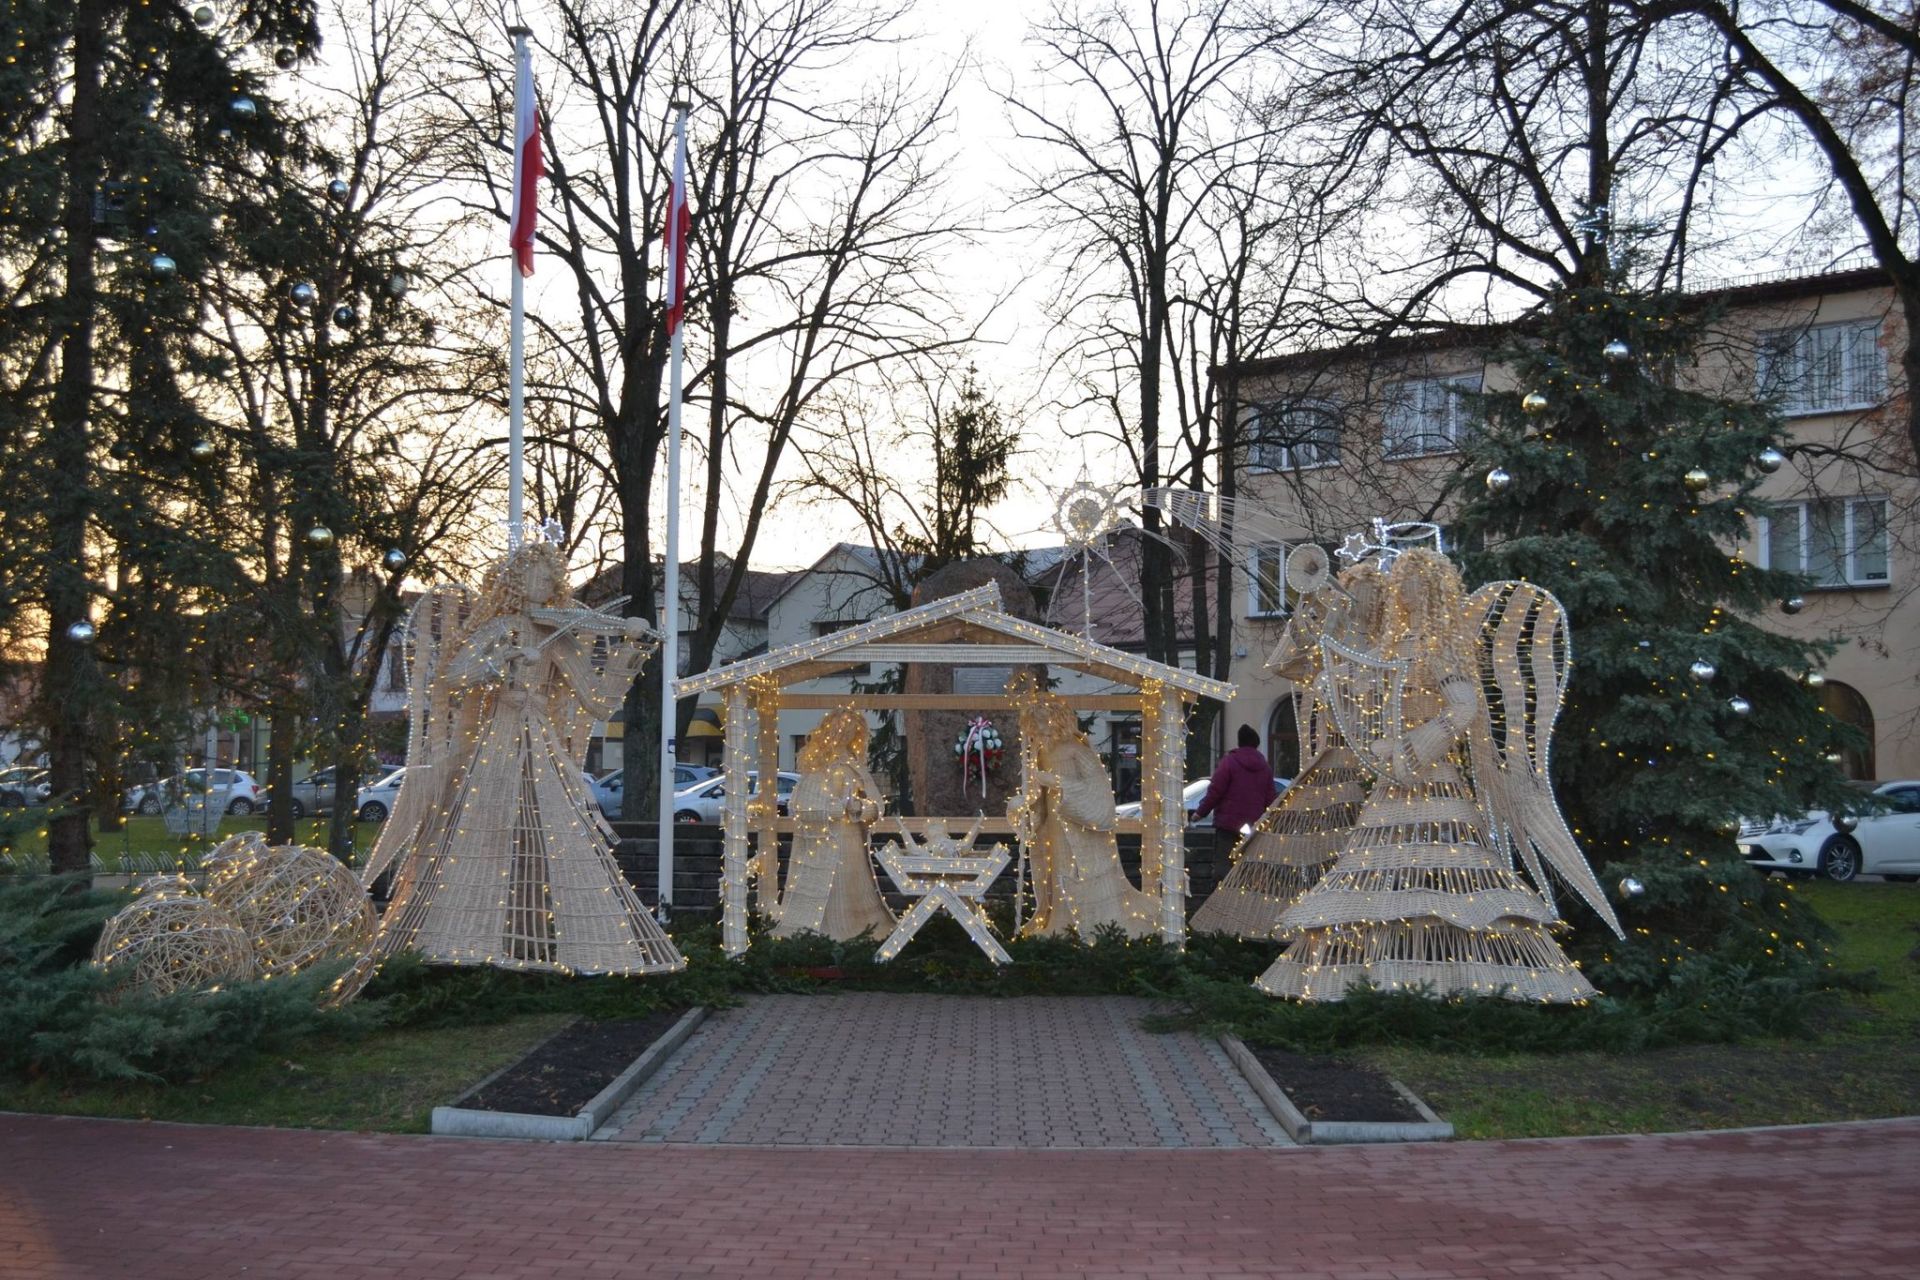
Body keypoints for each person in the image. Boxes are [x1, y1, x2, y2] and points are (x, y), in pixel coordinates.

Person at [364, 541, 684, 976]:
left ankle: (589, 950)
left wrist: (629, 648)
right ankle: (459, 941)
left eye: (550, 578)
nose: (544, 584)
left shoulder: (559, 636)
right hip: (496, 741)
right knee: (482, 832)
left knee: (560, 829)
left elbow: (598, 702)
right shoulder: (500, 627)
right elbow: (455, 676)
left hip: (540, 741)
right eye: (535, 575)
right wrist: (502, 661)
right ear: (516, 581)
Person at [771, 707, 895, 941]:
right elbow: (802, 806)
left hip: (852, 842)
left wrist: (860, 808)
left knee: (853, 888)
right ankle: (826, 935)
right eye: (843, 730)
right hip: (823, 845)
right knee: (826, 894)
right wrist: (834, 809)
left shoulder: (855, 766)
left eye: (851, 731)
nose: (846, 735)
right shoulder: (818, 766)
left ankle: (860, 930)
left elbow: (878, 805)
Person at [1194, 725, 1278, 866]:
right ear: (1256, 743)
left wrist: (1200, 813)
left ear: (1239, 742)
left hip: (1228, 824)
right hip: (1254, 825)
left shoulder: (1229, 762)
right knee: (1248, 866)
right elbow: (1271, 798)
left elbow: (1215, 791)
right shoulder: (1265, 767)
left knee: (1225, 866)